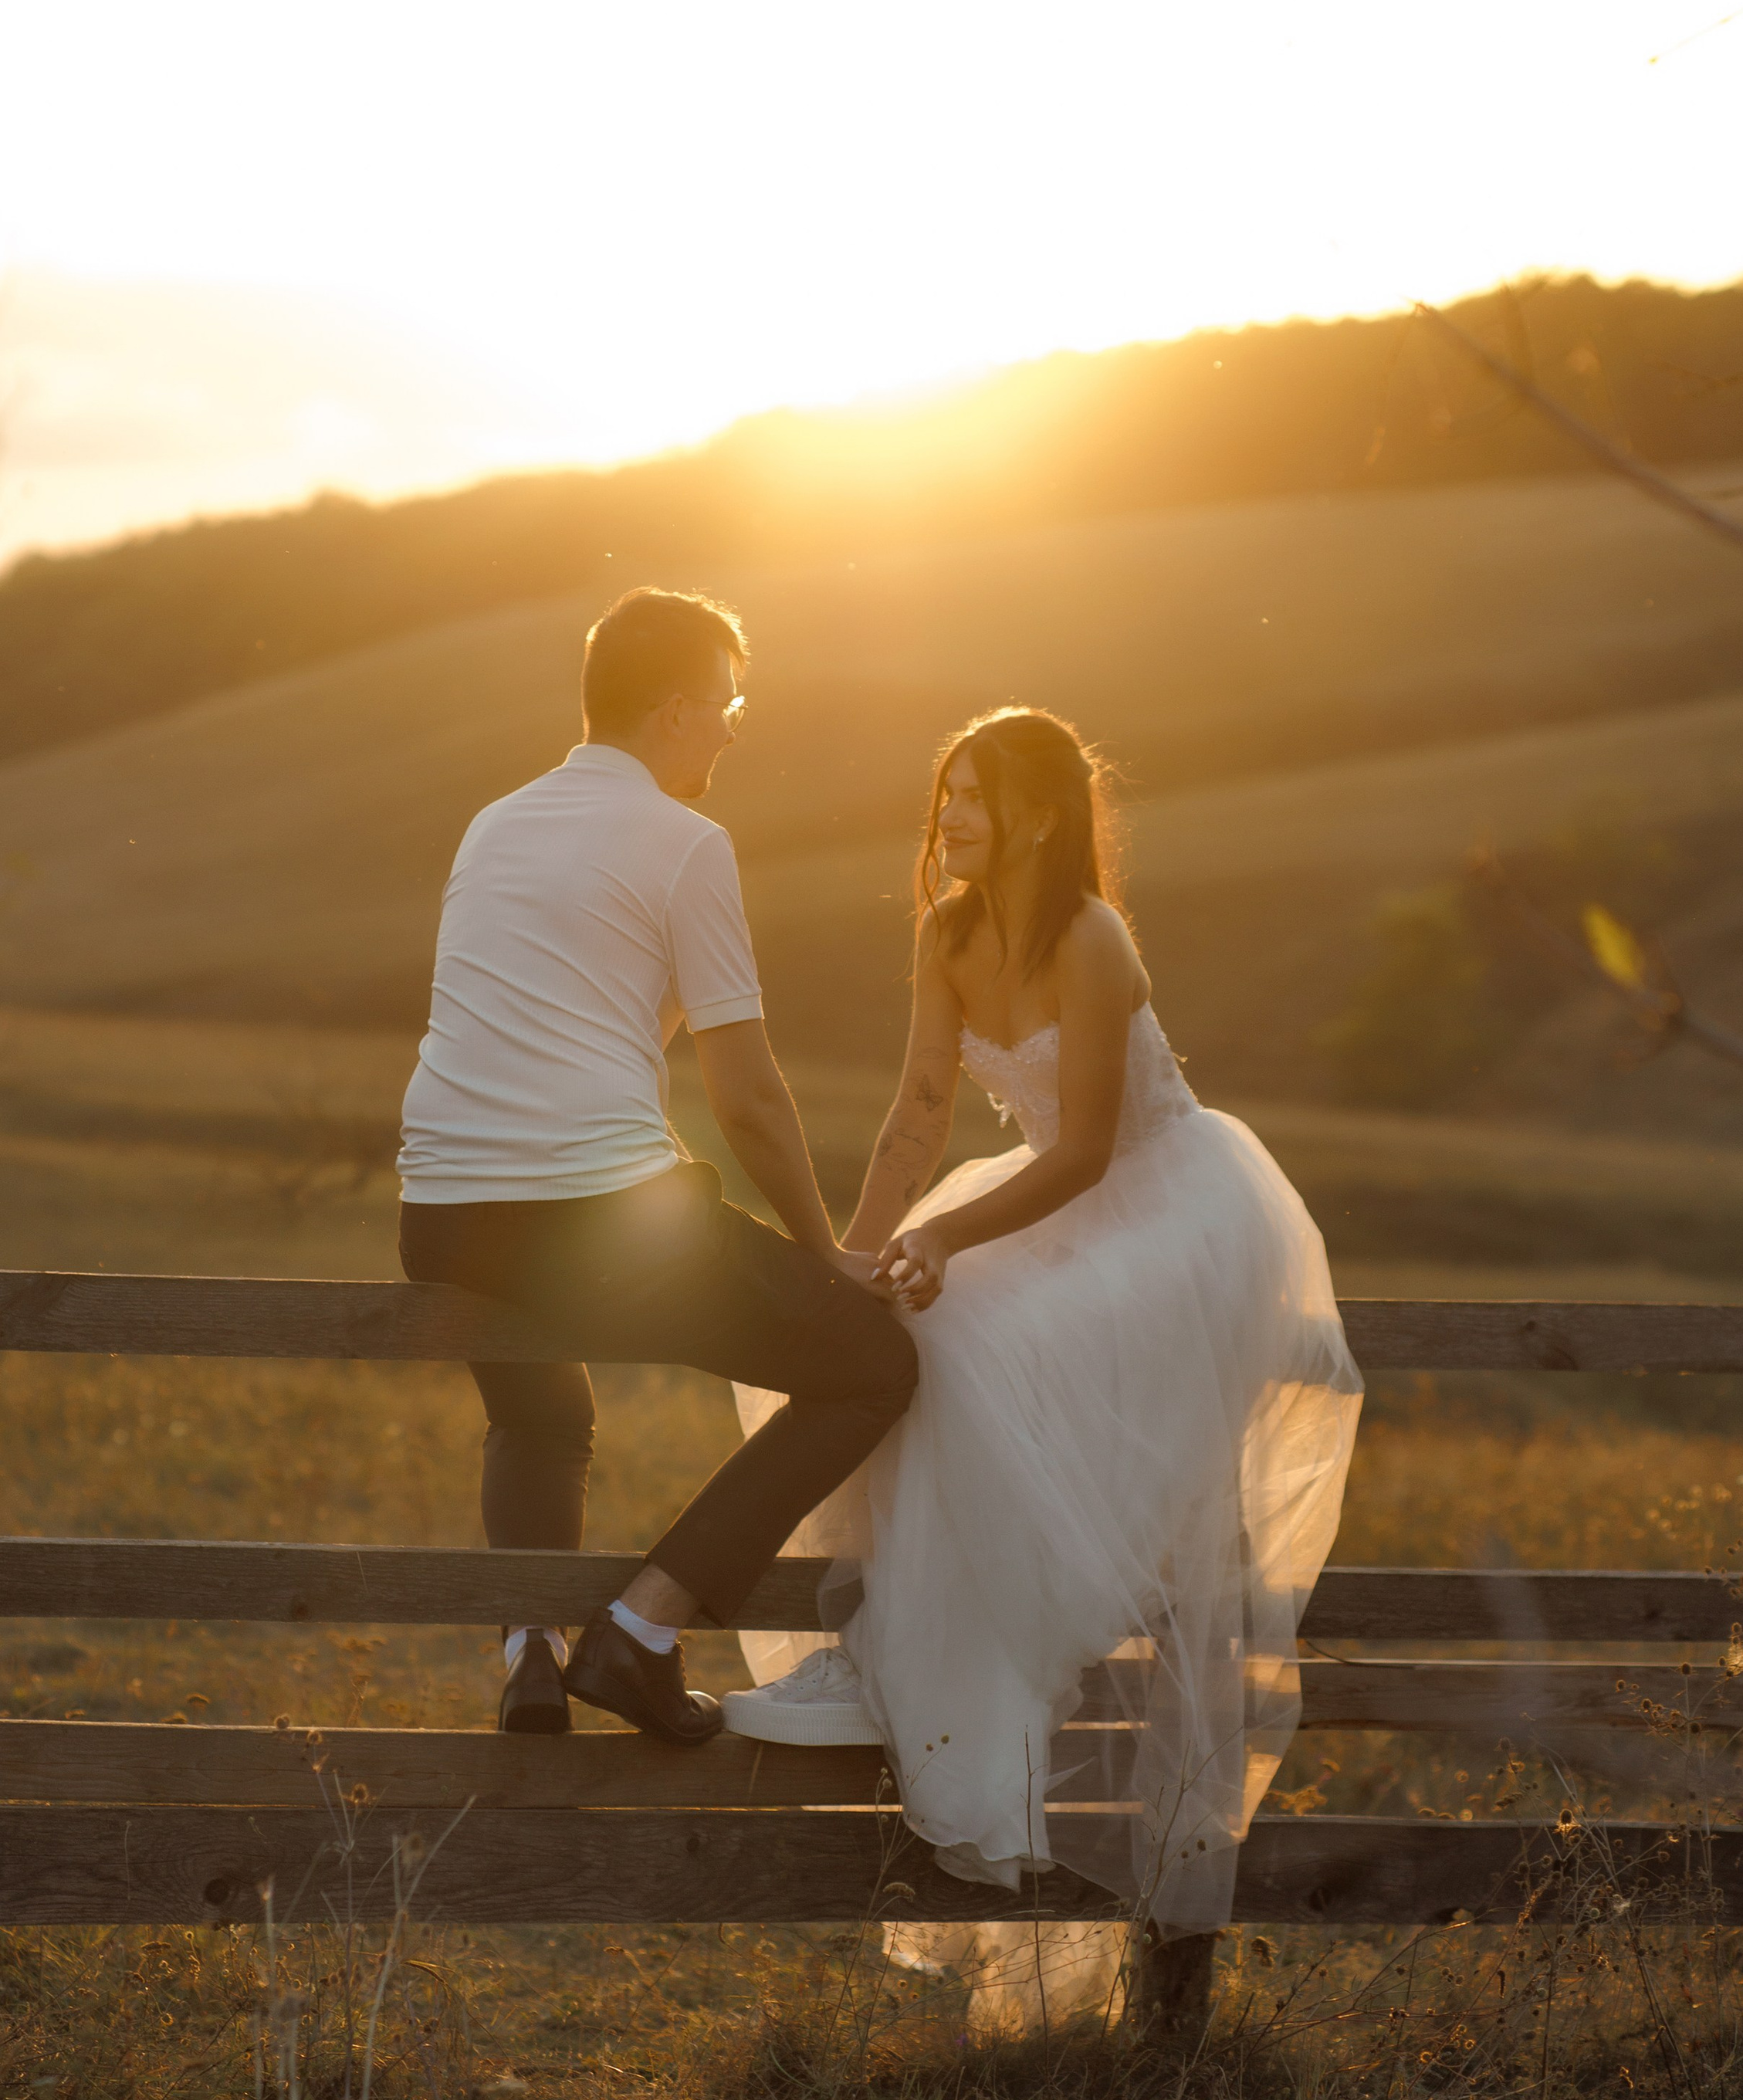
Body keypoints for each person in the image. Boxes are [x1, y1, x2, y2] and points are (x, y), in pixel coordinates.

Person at [720, 706, 1361, 1949]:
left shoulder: (1091, 936)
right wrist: (853, 1256)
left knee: (964, 1341)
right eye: (946, 793)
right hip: (1047, 1202)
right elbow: (920, 1108)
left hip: (1169, 1208)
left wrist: (947, 1242)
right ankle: (877, 1657)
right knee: (882, 1339)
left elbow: (1084, 1152)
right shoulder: (947, 931)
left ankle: (977, 1655)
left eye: (975, 796)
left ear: (1041, 816)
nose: (949, 815)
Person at [395, 585, 915, 1745]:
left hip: (440, 1217)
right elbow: (749, 1099)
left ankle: (530, 1655)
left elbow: (573, 1019)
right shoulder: (687, 844)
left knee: (543, 1414)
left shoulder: (495, 825)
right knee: (874, 1365)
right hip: (590, 1223)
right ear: (676, 710)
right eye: (728, 704)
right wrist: (823, 1252)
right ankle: (639, 1634)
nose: (733, 730)